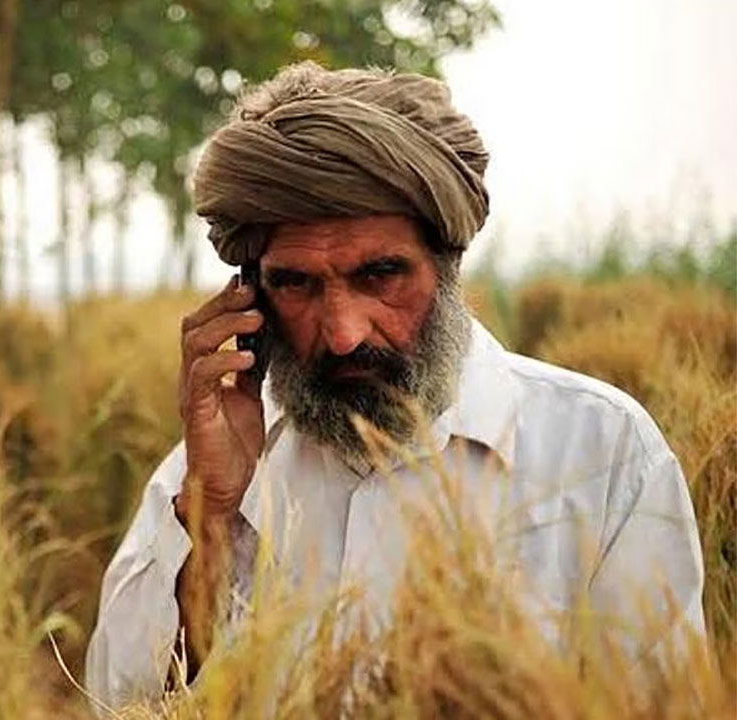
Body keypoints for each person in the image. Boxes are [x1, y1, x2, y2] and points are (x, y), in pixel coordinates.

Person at [84, 61, 706, 710]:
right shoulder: (208, 472)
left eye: (380, 274)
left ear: (445, 266)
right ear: (252, 299)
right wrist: (210, 515)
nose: (345, 333)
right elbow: (119, 701)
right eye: (297, 284)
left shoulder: (602, 453)